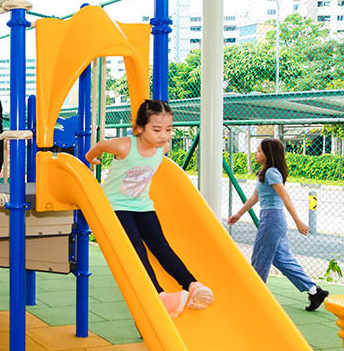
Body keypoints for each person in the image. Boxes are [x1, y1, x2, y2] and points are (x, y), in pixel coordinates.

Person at [85, 99, 214, 318]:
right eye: (157, 129)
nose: (164, 135)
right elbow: (99, 146)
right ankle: (160, 296)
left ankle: (192, 284)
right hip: (116, 206)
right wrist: (90, 159)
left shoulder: (162, 148)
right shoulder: (124, 146)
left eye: (169, 129)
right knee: (138, 250)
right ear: (140, 128)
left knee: (161, 246)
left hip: (143, 205)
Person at [228, 138, 329, 311]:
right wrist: (239, 214)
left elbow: (285, 197)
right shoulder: (264, 171)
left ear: (269, 154)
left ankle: (254, 295)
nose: (256, 153)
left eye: (259, 150)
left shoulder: (271, 172)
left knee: (260, 258)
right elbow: (255, 197)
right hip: (272, 218)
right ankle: (314, 291)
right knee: (282, 259)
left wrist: (298, 221)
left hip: (272, 219)